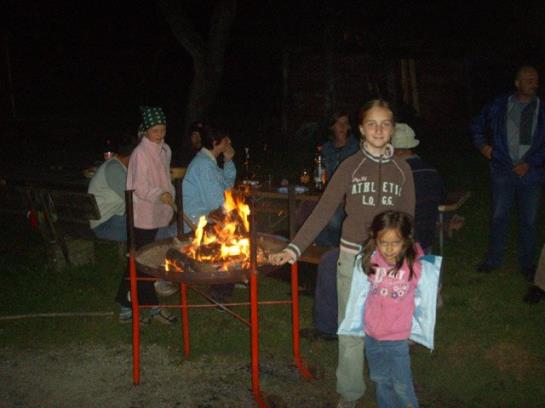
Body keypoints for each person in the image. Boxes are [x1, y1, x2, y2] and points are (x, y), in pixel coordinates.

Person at [270, 99, 415, 408]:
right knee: (351, 329)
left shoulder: (402, 170)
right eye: (372, 124)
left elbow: (408, 219)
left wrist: (410, 260)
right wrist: (294, 248)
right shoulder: (350, 166)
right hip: (352, 259)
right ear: (361, 129)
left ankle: (390, 386)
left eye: (385, 124)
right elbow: (323, 210)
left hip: (389, 262)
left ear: (393, 128)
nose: (379, 130)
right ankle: (350, 393)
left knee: (388, 330)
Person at [471, 66, 545, 280]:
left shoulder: (541, 109)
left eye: (535, 80)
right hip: (502, 170)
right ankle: (493, 260)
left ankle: (528, 264)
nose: (533, 83)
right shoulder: (499, 105)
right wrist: (483, 146)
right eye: (528, 80)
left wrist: (530, 163)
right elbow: (477, 124)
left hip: (531, 174)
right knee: (499, 216)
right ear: (517, 83)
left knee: (529, 220)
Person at [114, 106, 177, 324]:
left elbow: (163, 177)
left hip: (158, 213)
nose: (160, 134)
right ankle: (142, 307)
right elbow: (139, 187)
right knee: (141, 262)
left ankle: (130, 304)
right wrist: (159, 194)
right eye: (155, 131)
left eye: (163, 130)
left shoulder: (164, 149)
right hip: (143, 216)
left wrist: (168, 191)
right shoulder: (140, 154)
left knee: (145, 261)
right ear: (146, 131)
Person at [356, 211, 425, 408]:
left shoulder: (413, 267)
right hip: (372, 336)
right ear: (375, 239)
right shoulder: (372, 260)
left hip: (396, 340)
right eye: (383, 242)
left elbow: (425, 294)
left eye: (395, 242)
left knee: (402, 386)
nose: (388, 248)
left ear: (405, 241)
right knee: (380, 381)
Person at [183, 124, 237, 302]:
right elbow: (216, 204)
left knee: (235, 224)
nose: (229, 142)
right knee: (229, 233)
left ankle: (232, 274)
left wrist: (228, 161)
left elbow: (227, 188)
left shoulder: (209, 162)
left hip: (207, 216)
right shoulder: (204, 165)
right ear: (215, 142)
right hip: (195, 222)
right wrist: (232, 216)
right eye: (226, 140)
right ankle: (220, 290)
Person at [391, 123, 445, 252]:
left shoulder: (395, 175)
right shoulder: (432, 171)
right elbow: (442, 198)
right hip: (426, 238)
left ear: (397, 151)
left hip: (399, 240)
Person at [88, 139, 135, 242]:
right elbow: (132, 198)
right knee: (146, 230)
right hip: (105, 225)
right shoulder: (114, 168)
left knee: (148, 226)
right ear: (132, 156)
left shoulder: (118, 166)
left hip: (112, 220)